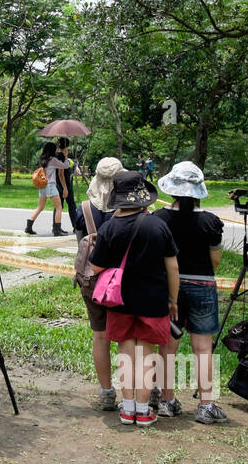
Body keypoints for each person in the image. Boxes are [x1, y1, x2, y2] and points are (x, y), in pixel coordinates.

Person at [87, 171, 178, 427]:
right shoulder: (158, 225)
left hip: (120, 302)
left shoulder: (109, 228)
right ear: (143, 198)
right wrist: (174, 300)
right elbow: (172, 266)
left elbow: (95, 268)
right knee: (147, 354)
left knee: (126, 353)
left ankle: (127, 410)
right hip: (153, 302)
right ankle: (143, 409)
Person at [154, 161, 226, 424]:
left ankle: (166, 400)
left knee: (168, 343)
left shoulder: (159, 219)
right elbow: (215, 261)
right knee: (203, 346)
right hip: (203, 285)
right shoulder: (211, 222)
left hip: (168, 288)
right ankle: (206, 405)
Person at [76, 156, 125, 410]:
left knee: (100, 335)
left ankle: (106, 392)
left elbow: (80, 244)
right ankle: (137, 393)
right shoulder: (128, 209)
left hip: (93, 280)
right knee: (128, 336)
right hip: (122, 280)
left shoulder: (84, 209)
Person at [26, 141, 69, 236]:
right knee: (59, 207)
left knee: (40, 207)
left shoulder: (43, 159)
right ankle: (57, 230)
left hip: (43, 186)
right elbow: (65, 166)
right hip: (51, 185)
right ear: (52, 150)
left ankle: (28, 227)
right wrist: (65, 156)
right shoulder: (53, 160)